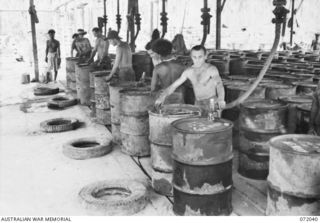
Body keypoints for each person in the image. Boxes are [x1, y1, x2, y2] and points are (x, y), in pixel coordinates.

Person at [155, 45, 225, 116]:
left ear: (205, 56)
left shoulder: (211, 69)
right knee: (199, 125)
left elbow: (219, 84)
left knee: (213, 125)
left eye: (200, 57)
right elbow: (173, 86)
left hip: (211, 102)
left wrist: (221, 99)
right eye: (194, 57)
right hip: (198, 103)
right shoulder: (188, 71)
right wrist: (162, 96)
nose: (197, 60)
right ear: (191, 57)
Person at [151, 39, 186, 104]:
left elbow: (153, 89)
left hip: (165, 98)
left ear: (159, 53)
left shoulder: (157, 68)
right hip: (180, 96)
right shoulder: (182, 66)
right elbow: (188, 83)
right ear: (170, 50)